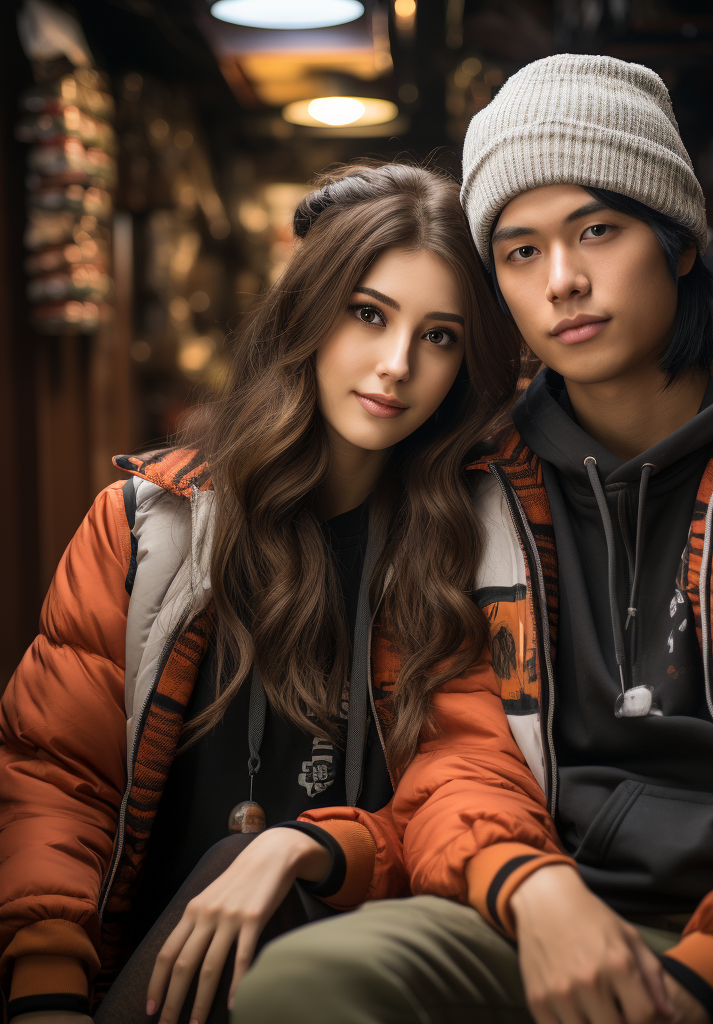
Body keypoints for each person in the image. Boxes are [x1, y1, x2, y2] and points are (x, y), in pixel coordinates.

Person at [233, 57, 713, 1024]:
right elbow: (459, 756)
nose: (564, 282)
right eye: (520, 252)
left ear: (674, 243)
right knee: (307, 982)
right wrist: (530, 890)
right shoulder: (476, 485)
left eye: (597, 230)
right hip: (534, 914)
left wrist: (706, 973)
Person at [0, 161, 521, 1024]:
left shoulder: (466, 547)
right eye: (368, 315)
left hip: (342, 971)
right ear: (308, 316)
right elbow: (57, 774)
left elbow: (460, 795)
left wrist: (308, 845)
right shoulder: (147, 528)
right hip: (136, 973)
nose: (396, 366)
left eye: (439, 337)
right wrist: (45, 988)